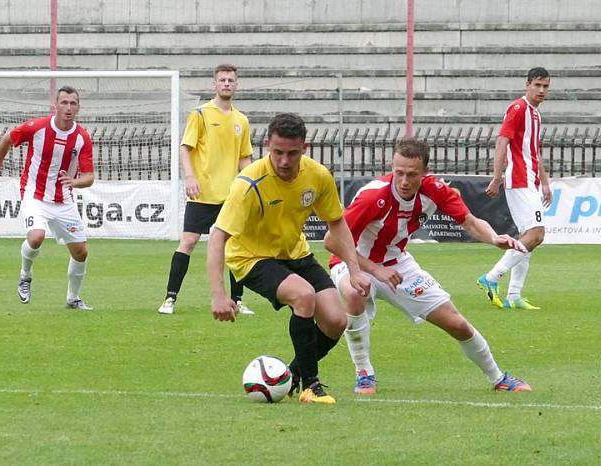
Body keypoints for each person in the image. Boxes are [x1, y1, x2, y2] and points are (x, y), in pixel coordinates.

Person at [328, 137, 532, 394]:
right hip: (352, 260)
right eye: (398, 172)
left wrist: (494, 238)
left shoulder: (434, 189)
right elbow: (333, 241)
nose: (403, 181)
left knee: (456, 323)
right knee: (354, 290)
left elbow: (469, 221)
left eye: (411, 175)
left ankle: (498, 378)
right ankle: (364, 373)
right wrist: (374, 270)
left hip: (398, 264)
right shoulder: (373, 196)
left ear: (424, 173)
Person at [207, 113, 371, 404]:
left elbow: (337, 224)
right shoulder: (248, 184)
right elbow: (217, 237)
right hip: (251, 258)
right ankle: (312, 386)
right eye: (278, 152)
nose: (284, 160)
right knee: (304, 295)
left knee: (335, 321)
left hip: (296, 253)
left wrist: (355, 271)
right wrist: (219, 295)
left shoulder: (317, 176)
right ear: (267, 144)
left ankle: (289, 375)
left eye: (292, 153)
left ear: (304, 148)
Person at [0, 85, 95, 311]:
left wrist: (74, 182)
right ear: (55, 105)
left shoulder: (82, 137)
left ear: (78, 108)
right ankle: (25, 275)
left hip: (64, 200)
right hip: (34, 193)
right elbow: (7, 139)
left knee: (81, 252)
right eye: (64, 103)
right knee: (36, 237)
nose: (68, 108)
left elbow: (89, 177)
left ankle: (73, 299)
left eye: (72, 103)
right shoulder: (37, 127)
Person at [158, 64, 255, 316]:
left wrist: (251, 183)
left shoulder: (241, 120)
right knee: (188, 241)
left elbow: (244, 158)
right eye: (222, 80)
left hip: (231, 195)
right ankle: (170, 298)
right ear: (214, 84)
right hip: (203, 193)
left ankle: (238, 300)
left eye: (230, 80)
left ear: (237, 84)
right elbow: (185, 147)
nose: (226, 84)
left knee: (235, 245)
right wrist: (190, 176)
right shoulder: (200, 114)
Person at [478, 67, 552, 310]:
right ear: (527, 85)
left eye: (545, 86)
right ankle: (491, 277)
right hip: (519, 180)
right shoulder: (518, 108)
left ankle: (514, 295)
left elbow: (535, 152)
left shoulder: (536, 114)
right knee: (536, 234)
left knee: (527, 239)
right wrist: (496, 177)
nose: (541, 90)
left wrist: (546, 183)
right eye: (537, 85)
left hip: (531, 181)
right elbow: (502, 141)